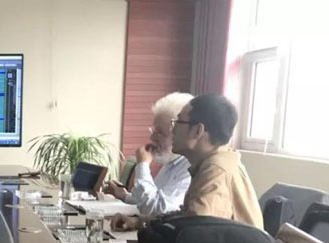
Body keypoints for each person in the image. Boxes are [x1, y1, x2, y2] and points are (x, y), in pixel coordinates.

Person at [112, 94, 264, 231]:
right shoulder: (210, 162)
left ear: (197, 131)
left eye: (178, 122)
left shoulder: (216, 170)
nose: (173, 131)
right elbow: (186, 217)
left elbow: (194, 233)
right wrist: (140, 221)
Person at [103, 92, 193, 215]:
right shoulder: (171, 162)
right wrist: (124, 196)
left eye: (160, 132)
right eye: (153, 130)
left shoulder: (190, 168)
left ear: (180, 133)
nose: (152, 137)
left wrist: (143, 165)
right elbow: (150, 201)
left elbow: (157, 209)